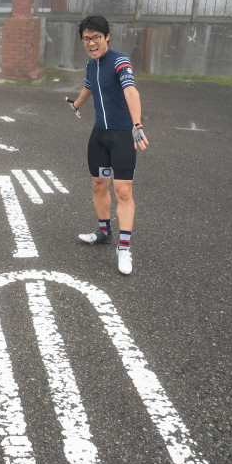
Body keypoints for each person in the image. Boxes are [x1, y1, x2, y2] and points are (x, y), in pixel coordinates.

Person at [64, 15, 148, 275]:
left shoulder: (120, 61)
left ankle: (124, 248)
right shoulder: (91, 65)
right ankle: (103, 232)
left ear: (107, 36)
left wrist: (137, 124)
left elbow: (131, 91)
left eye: (96, 37)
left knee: (123, 192)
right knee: (98, 184)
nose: (91, 43)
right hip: (99, 135)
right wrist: (76, 105)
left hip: (123, 135)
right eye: (86, 39)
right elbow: (89, 87)